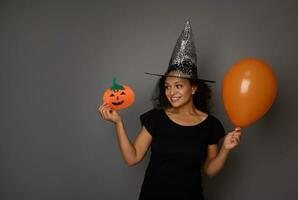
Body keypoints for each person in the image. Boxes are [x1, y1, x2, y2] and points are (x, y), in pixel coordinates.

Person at [98, 21, 241, 200]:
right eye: (167, 86)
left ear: (194, 88)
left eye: (178, 86)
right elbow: (132, 158)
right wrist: (118, 123)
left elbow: (210, 170)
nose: (171, 92)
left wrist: (226, 149)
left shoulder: (210, 125)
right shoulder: (156, 118)